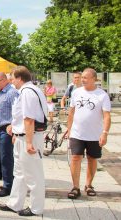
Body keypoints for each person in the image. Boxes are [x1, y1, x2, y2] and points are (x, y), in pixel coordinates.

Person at [0, 66, 47, 216]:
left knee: (33, 175)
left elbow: (29, 119)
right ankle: (15, 203)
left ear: (19, 78)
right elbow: (22, 117)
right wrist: (15, 130)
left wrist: (29, 142)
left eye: (12, 78)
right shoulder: (28, 91)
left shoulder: (28, 92)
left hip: (28, 138)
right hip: (22, 137)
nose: (11, 82)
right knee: (19, 173)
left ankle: (36, 208)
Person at [66, 68, 111, 199]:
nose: (82, 80)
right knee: (75, 158)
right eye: (82, 77)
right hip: (77, 133)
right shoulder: (76, 92)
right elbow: (71, 112)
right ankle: (75, 187)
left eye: (86, 77)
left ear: (94, 79)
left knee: (92, 159)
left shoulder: (102, 95)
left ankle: (89, 185)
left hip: (94, 134)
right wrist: (69, 130)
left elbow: (107, 116)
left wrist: (105, 133)